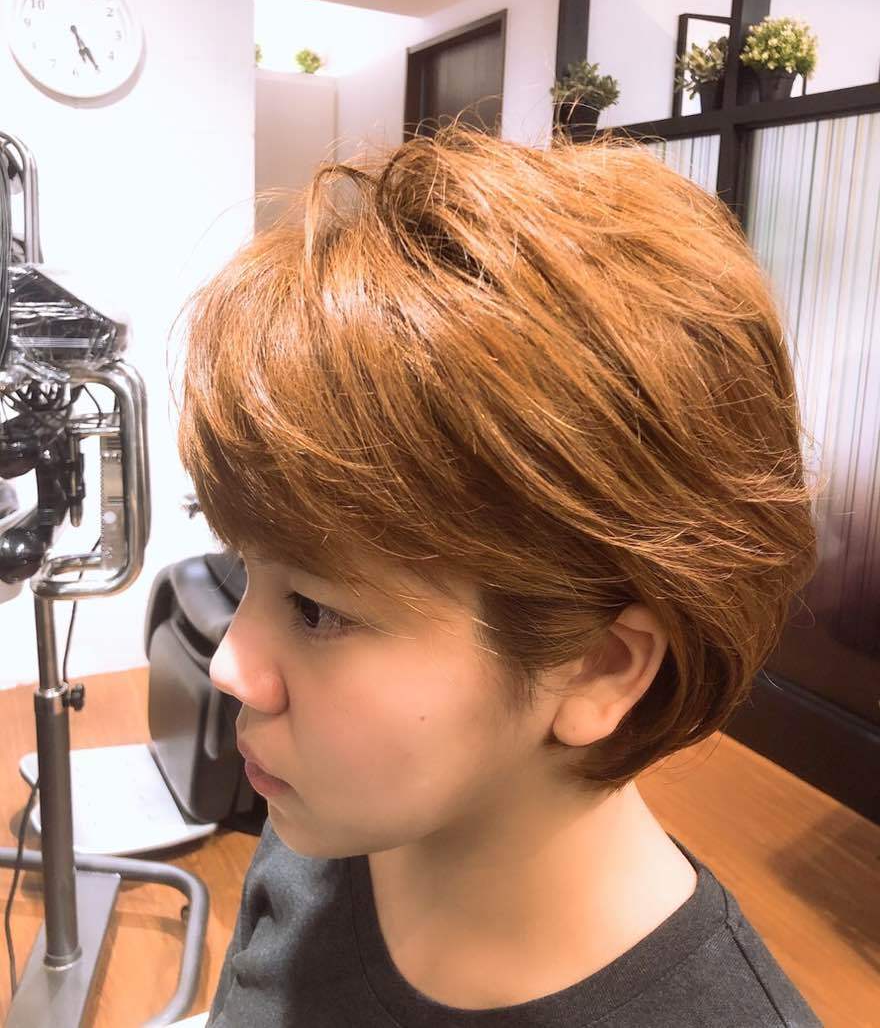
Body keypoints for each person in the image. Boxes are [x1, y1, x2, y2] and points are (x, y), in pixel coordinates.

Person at [175, 122, 824, 1026]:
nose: (230, 665)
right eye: (246, 570)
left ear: (598, 665)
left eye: (317, 610)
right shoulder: (332, 822)